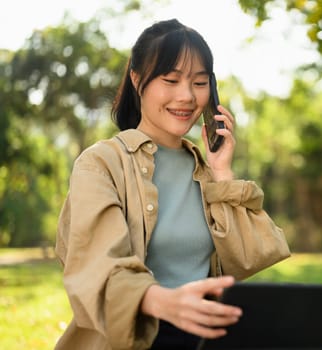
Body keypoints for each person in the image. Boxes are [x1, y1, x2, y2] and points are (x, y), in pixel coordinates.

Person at [55, 18, 290, 350]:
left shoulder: (206, 171)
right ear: (137, 80)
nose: (186, 96)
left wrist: (222, 172)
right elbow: (94, 264)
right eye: (170, 79)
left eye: (199, 82)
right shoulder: (101, 164)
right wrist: (162, 302)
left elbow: (252, 257)